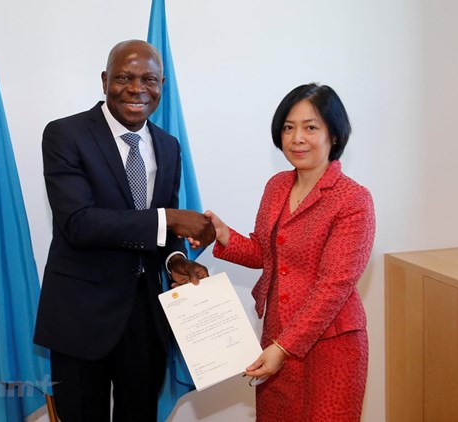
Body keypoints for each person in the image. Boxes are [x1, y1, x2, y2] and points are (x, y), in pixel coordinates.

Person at [33, 39, 215, 422]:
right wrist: (169, 218)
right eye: (124, 78)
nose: (137, 89)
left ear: (162, 84)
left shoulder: (168, 146)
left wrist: (178, 262)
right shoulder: (65, 135)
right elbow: (78, 223)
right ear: (104, 81)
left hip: (146, 321)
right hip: (81, 319)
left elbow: (164, 236)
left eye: (149, 79)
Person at [205, 83, 375, 421]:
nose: (297, 138)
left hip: (331, 345)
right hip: (276, 338)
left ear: (335, 135)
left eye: (311, 127)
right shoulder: (276, 186)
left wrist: (284, 348)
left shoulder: (353, 199)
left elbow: (334, 286)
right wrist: (223, 235)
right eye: (288, 127)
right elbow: (265, 254)